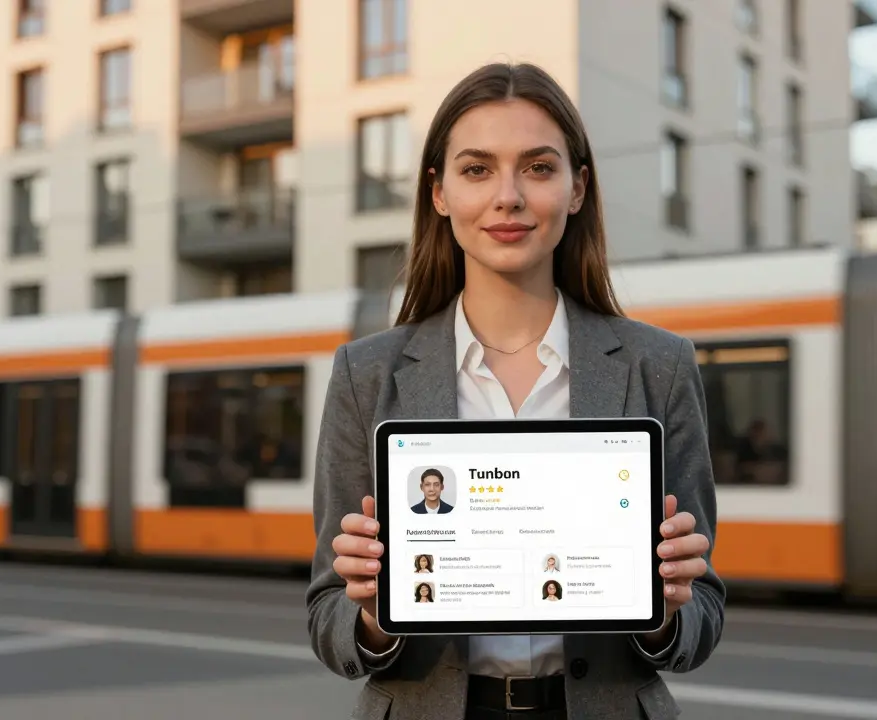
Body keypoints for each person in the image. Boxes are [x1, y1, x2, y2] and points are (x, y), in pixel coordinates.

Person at [306, 61, 724, 720]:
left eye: (538, 167)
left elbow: (704, 617)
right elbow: (327, 618)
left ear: (577, 188)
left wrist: (666, 611)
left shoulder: (659, 366)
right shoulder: (366, 375)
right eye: (477, 170)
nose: (508, 197)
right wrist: (372, 613)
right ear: (439, 193)